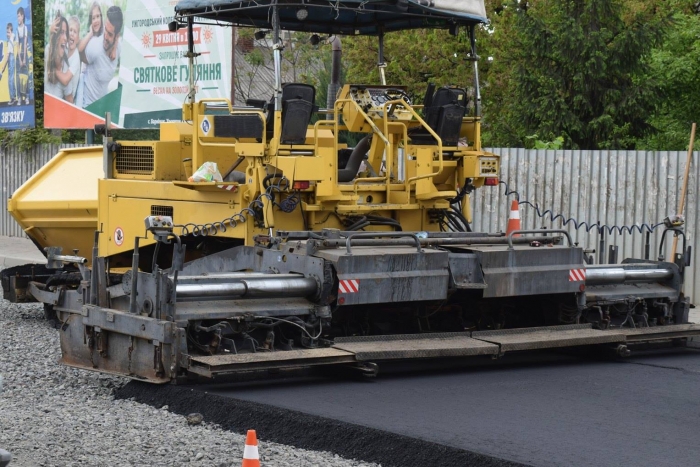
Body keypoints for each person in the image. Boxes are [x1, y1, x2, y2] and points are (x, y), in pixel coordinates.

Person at [79, 5, 122, 107]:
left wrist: (115, 47)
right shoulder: (95, 46)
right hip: (88, 105)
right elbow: (79, 52)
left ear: (117, 37)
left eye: (110, 34)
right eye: (105, 30)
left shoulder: (118, 48)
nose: (105, 36)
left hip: (102, 106)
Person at [45, 15, 71, 99]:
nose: (65, 38)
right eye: (61, 32)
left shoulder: (66, 69)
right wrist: (50, 32)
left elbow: (70, 103)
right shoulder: (47, 50)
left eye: (66, 33)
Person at [2, 24, 17, 105]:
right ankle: (14, 96)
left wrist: (3, 68)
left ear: (11, 32)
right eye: (6, 32)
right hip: (11, 58)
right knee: (11, 78)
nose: (7, 34)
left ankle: (12, 98)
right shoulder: (12, 37)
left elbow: (7, 55)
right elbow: (14, 35)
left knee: (10, 80)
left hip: (10, 58)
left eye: (8, 32)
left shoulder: (10, 41)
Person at [16, 7, 29, 105]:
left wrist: (24, 58)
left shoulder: (25, 28)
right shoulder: (16, 30)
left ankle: (27, 96)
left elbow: (25, 43)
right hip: (18, 56)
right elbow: (17, 46)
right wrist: (20, 60)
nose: (18, 19)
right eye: (17, 17)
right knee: (18, 77)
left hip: (24, 55)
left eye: (19, 16)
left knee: (26, 76)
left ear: (23, 16)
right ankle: (19, 97)